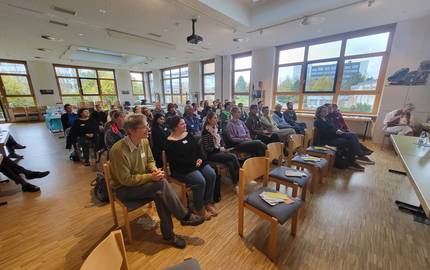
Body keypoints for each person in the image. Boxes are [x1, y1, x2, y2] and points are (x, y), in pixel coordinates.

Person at [109, 114, 204, 249]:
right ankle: (184, 216)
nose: (148, 128)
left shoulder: (144, 142)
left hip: (141, 184)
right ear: (132, 130)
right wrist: (151, 177)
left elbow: (150, 161)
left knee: (159, 191)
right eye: (144, 126)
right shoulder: (118, 150)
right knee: (159, 185)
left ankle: (169, 235)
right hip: (124, 189)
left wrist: (154, 171)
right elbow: (125, 180)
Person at [165, 116, 217, 220]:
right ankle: (198, 207)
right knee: (200, 181)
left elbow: (198, 150)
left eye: (185, 123)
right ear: (175, 127)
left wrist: (200, 158)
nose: (185, 125)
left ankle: (207, 202)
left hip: (196, 163)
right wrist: (194, 162)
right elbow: (176, 162)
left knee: (211, 174)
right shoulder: (169, 142)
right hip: (182, 169)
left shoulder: (188, 135)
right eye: (182, 124)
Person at [314, 105, 373, 170]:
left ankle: (352, 161)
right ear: (319, 112)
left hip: (334, 135)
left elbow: (334, 127)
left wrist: (338, 130)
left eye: (326, 111)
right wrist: (336, 132)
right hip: (327, 140)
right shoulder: (318, 121)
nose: (326, 112)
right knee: (351, 139)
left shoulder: (327, 119)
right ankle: (354, 159)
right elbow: (325, 133)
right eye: (324, 111)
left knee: (352, 137)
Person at [201, 112, 240, 189]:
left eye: (217, 118)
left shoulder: (215, 128)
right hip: (211, 155)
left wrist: (223, 147)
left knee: (230, 163)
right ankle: (240, 175)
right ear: (209, 120)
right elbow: (208, 149)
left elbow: (221, 141)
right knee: (233, 156)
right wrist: (219, 149)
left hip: (218, 152)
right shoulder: (206, 132)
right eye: (214, 118)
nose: (217, 120)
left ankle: (235, 183)